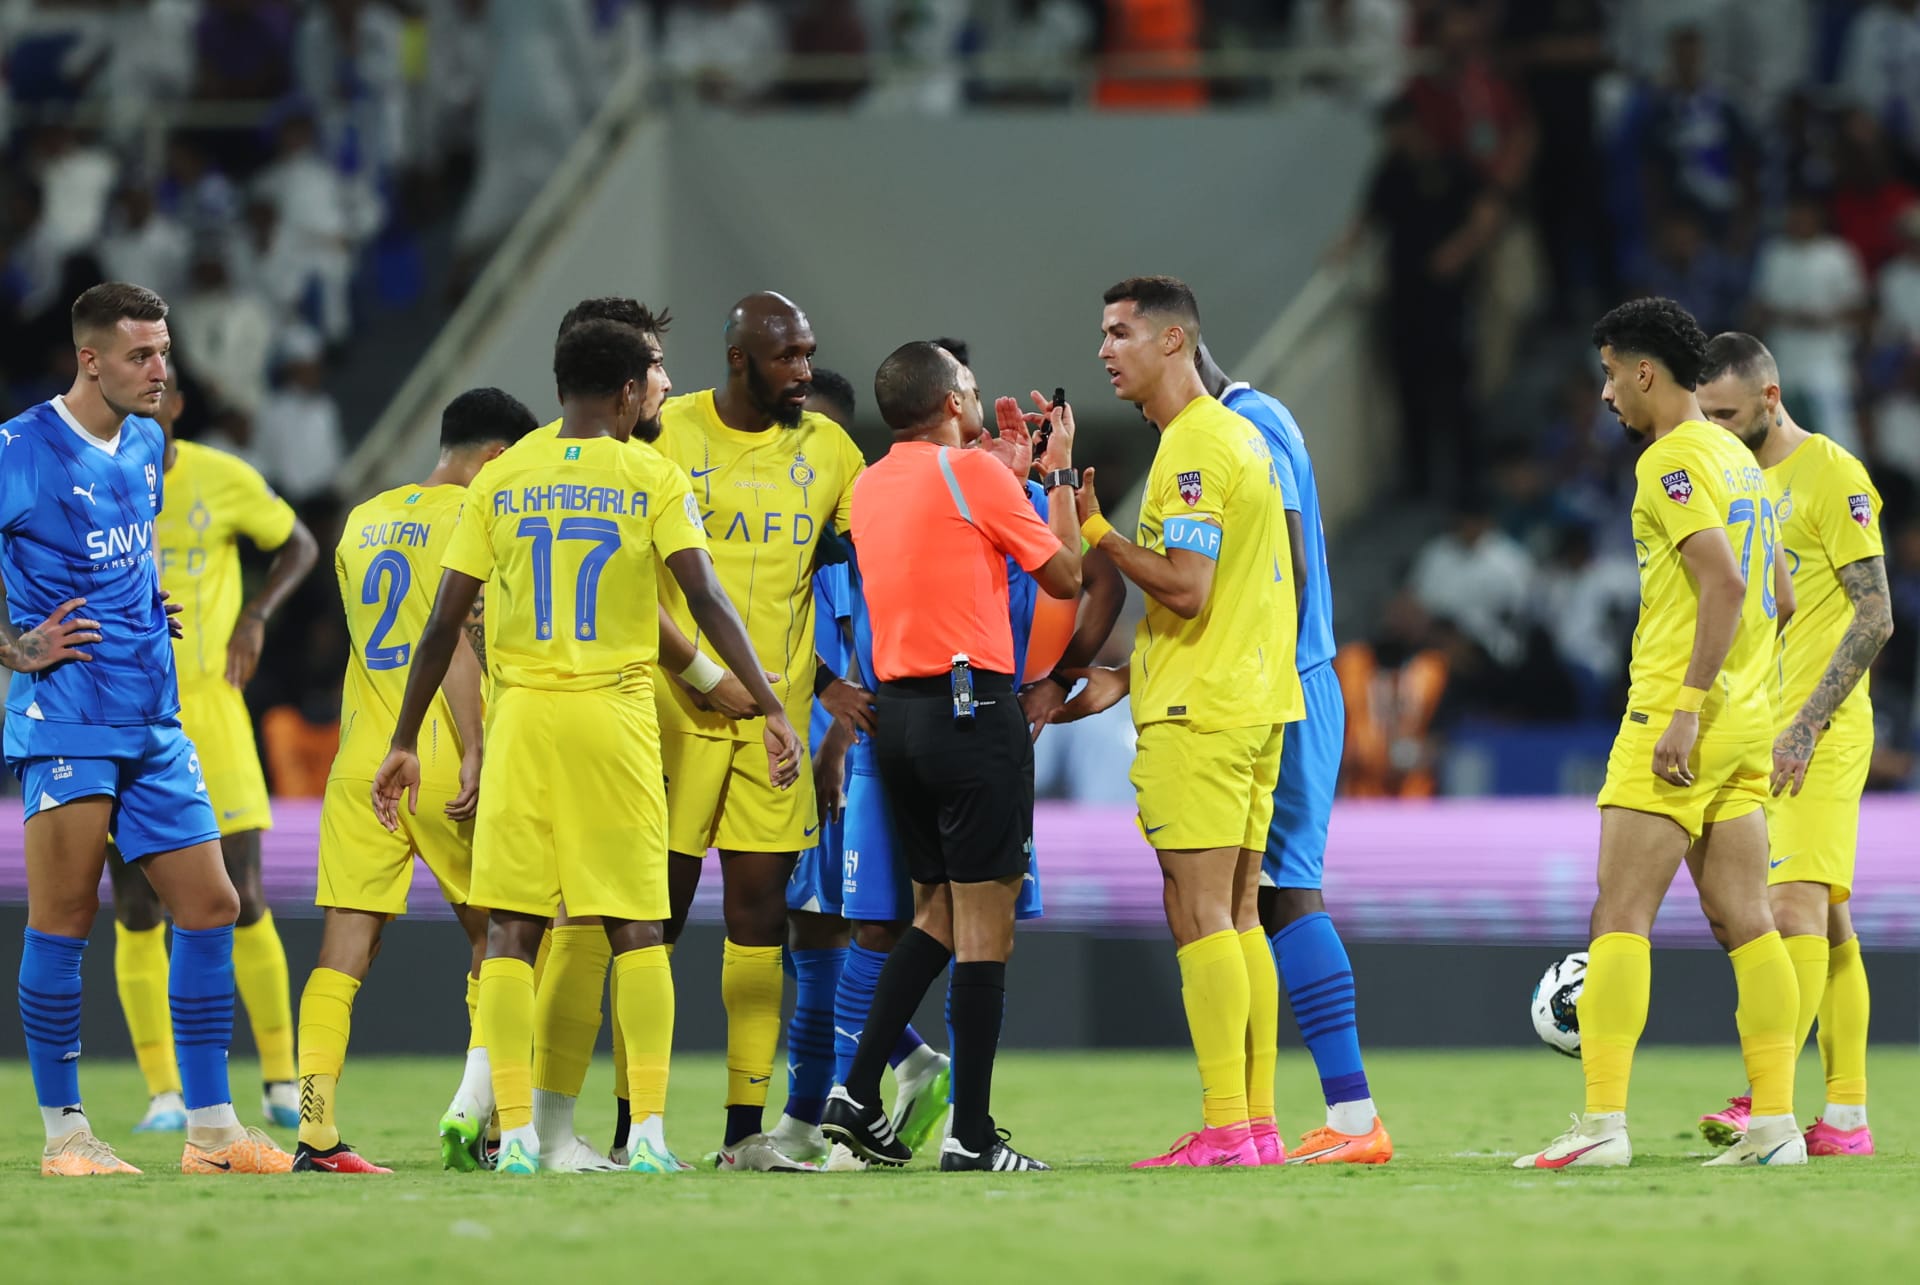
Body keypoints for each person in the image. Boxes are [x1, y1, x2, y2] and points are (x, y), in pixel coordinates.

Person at [373, 317, 801, 1176]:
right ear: (624, 394)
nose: (658, 390)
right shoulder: (650, 472)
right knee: (638, 925)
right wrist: (772, 703)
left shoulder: (503, 477)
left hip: (525, 718)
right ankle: (644, 1131)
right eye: (650, 378)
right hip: (612, 715)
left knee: (510, 932)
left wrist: (401, 738)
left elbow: (442, 623)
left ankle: (522, 1135)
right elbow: (706, 597)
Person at [7, 281, 291, 1176]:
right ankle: (65, 1135)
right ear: (89, 359)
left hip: (154, 716)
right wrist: (14, 648)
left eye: (164, 352)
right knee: (62, 918)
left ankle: (211, 1131)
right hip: (68, 718)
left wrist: (145, 604)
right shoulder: (20, 446)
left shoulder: (145, 444)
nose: (161, 371)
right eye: (141, 354)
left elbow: (125, 552)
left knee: (213, 903)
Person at [1515, 297, 1805, 1170]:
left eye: (1609, 373)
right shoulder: (1739, 456)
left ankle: (1602, 1125)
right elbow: (1780, 596)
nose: (1605, 393)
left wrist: (1685, 705)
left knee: (1619, 915)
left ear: (1645, 370)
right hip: (1746, 720)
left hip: (1682, 717)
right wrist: (1742, 693)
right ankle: (1777, 1127)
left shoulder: (1670, 459)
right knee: (1748, 920)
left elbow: (1720, 585)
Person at [1052, 277, 1301, 1168]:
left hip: (1202, 715)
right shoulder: (1242, 437)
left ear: (1172, 343)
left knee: (1200, 914)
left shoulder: (1194, 448)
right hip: (1250, 700)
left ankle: (1227, 1127)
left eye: (1119, 332)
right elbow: (1234, 594)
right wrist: (1131, 668)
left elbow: (1187, 588)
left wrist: (1098, 531)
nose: (1104, 350)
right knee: (1237, 914)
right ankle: (1259, 1124)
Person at [820, 340, 1081, 1173]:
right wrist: (1060, 476)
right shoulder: (974, 477)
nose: (979, 395)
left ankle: (855, 1090)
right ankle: (969, 1133)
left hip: (897, 718)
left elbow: (948, 555)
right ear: (949, 403)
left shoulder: (869, 483)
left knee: (934, 912)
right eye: (970, 387)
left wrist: (1000, 471)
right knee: (985, 922)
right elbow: (1066, 576)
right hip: (973, 714)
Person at [291, 387, 539, 1175]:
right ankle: (487, 1119)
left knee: (344, 946)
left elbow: (377, 640)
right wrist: (473, 746)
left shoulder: (360, 520)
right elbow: (456, 643)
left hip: (363, 754)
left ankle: (315, 1128)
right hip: (438, 750)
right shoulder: (475, 518)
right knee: (504, 934)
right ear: (496, 458)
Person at [645, 292, 866, 1172]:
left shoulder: (830, 451)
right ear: (740, 358)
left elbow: (865, 571)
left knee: (757, 919)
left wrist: (839, 696)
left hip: (772, 722)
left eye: (809, 355)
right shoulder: (669, 432)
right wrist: (702, 673)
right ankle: (638, 1122)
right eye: (788, 358)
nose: (805, 374)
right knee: (649, 920)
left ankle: (744, 1130)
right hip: (673, 711)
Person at [105, 363, 318, 1137]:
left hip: (214, 716)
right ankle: (164, 1091)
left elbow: (298, 543)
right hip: (122, 718)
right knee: (135, 904)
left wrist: (256, 614)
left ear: (179, 404)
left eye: (158, 394)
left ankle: (282, 1078)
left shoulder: (221, 477)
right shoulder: (92, 482)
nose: (144, 406)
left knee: (246, 894)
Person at [1192, 342, 1391, 1165]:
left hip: (1286, 684)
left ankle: (1351, 1114)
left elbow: (1292, 561)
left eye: (1120, 337)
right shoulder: (1255, 419)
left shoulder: (1250, 423)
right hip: (1284, 680)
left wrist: (1258, 673)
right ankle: (1274, 1119)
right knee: (1267, 899)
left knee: (1282, 894)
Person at [1693, 334, 1892, 1157]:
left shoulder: (1833, 474)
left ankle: (1762, 1096)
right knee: (1832, 924)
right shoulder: (1733, 477)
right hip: (1753, 727)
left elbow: (1876, 614)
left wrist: (1807, 723)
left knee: (1791, 907)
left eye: (1728, 414)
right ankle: (1844, 1115)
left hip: (1819, 728)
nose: (1714, 426)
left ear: (1771, 399)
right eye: (1704, 414)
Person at [766, 367, 950, 1169]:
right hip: (804, 740)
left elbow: (871, 648)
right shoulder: (805, 529)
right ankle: (852, 1093)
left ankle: (842, 1105)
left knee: (831, 932)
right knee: (811, 933)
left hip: (845, 748)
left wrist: (836, 741)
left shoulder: (859, 521)